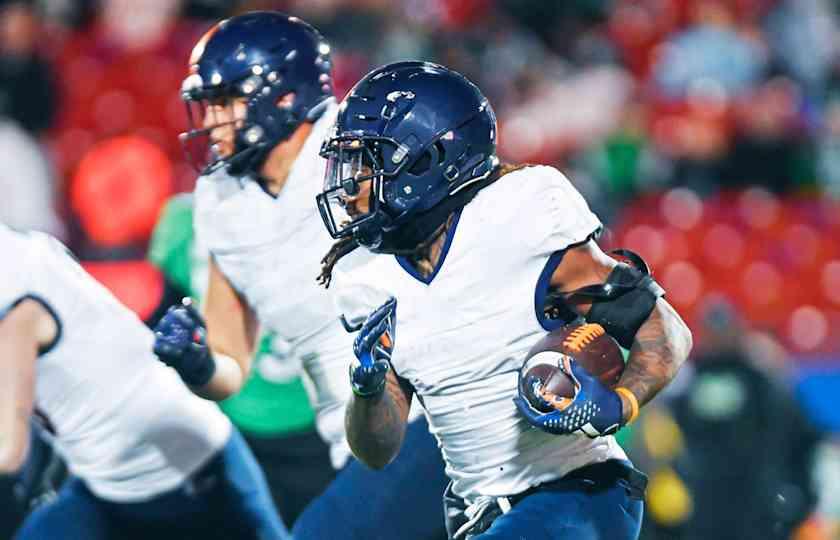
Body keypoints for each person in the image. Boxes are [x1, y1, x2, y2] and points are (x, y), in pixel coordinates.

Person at [315, 61, 693, 539]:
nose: (348, 187)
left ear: (425, 160)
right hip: (479, 516)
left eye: (365, 163)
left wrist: (620, 405)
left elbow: (664, 330)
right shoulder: (362, 277)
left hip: (579, 495)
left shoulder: (521, 211)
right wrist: (368, 391)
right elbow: (377, 451)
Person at [152, 12, 448, 539]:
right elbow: (231, 364)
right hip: (354, 442)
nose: (211, 120)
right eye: (208, 104)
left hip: (436, 407)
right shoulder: (221, 201)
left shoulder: (363, 146)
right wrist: (198, 364)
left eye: (226, 101)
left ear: (284, 97)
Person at [0, 225, 287, 540]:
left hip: (182, 475)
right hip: (107, 484)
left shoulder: (17, 308)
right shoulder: (27, 251)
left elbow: (7, 452)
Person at [147, 193, 336, 527]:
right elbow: (168, 323)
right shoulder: (185, 220)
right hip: (234, 428)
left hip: (321, 423)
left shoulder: (331, 206)